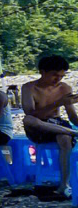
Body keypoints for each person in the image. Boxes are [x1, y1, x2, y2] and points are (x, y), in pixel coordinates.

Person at [21, 53, 78, 196]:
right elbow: (31, 114)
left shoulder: (64, 88)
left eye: (61, 76)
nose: (57, 79)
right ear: (43, 72)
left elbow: (71, 115)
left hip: (57, 124)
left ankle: (64, 184)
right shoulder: (29, 88)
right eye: (54, 75)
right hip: (39, 126)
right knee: (28, 119)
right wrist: (58, 103)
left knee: (64, 139)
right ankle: (73, 133)